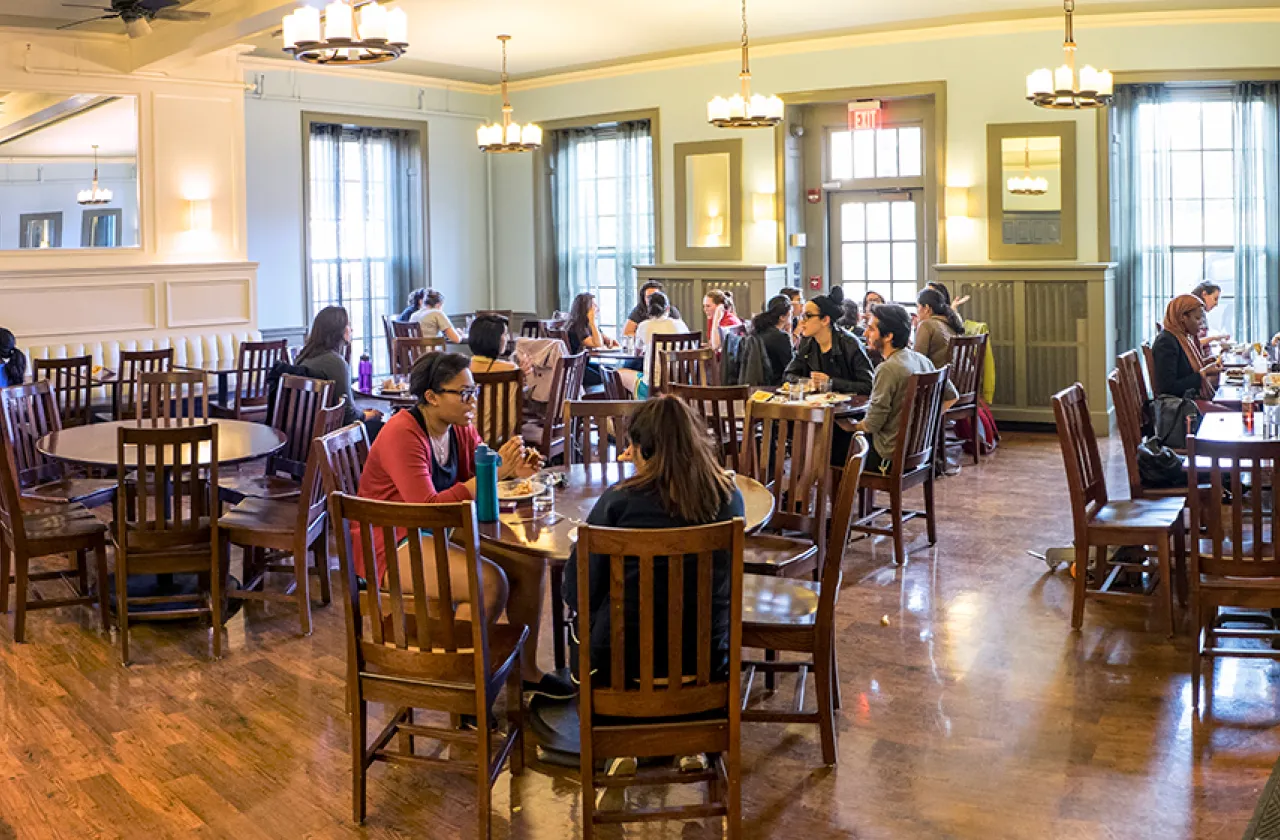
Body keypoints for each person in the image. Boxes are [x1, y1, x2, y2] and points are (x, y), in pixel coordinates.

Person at [357, 351, 558, 689]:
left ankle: (526, 671)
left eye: (473, 392)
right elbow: (426, 507)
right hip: (392, 543)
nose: (473, 401)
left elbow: (482, 470)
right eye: (464, 393)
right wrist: (490, 477)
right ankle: (464, 688)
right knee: (490, 583)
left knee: (529, 562)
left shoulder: (458, 428)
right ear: (432, 397)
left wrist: (511, 472)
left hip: (439, 531)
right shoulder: (401, 434)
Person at [564, 395, 744, 686]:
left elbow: (577, 592)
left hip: (621, 669)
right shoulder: (729, 498)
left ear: (643, 450)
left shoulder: (618, 502)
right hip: (708, 662)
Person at [852, 304, 958, 475]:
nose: (865, 334)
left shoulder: (887, 368)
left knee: (835, 448)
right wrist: (926, 424)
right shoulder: (922, 360)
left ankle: (835, 501)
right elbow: (952, 397)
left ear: (888, 336)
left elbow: (872, 424)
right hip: (920, 451)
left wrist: (852, 426)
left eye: (871, 329)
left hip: (887, 457)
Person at [295, 306, 381, 432]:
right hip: (332, 435)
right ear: (339, 331)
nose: (351, 329)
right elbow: (348, 416)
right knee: (385, 427)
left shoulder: (303, 357)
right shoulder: (336, 363)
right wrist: (370, 415)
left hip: (305, 430)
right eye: (349, 325)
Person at [784, 294, 874, 395]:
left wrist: (830, 382)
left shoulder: (849, 344)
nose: (801, 322)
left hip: (849, 406)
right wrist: (807, 381)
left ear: (825, 320)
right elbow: (788, 374)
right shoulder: (807, 342)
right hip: (815, 405)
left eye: (807, 316)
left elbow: (868, 385)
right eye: (801, 316)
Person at [1152, 295, 1224, 410]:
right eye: (1197, 318)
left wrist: (1205, 362)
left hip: (1189, 401)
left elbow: (1183, 368)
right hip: (1181, 407)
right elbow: (1168, 388)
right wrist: (1203, 373)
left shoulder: (1183, 338)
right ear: (1183, 317)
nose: (1201, 323)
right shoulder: (1166, 342)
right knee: (1236, 413)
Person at [618, 291, 691, 395]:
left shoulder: (644, 326)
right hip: (681, 382)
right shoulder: (680, 325)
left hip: (654, 384)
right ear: (668, 308)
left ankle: (632, 407)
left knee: (620, 373)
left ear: (649, 309)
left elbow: (637, 351)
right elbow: (691, 349)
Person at [565, 292, 618, 389]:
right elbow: (597, 344)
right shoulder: (577, 327)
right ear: (585, 309)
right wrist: (593, 322)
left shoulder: (586, 325)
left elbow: (605, 340)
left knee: (610, 371)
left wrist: (607, 339)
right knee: (606, 377)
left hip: (584, 364)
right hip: (575, 368)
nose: (597, 308)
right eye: (594, 305)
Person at [913, 287, 965, 369]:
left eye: (918, 306)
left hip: (940, 379)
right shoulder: (950, 322)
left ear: (926, 308)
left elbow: (917, 360)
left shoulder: (926, 325)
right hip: (963, 378)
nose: (917, 311)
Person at [749, 295, 795, 386]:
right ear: (782, 317)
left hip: (759, 381)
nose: (792, 317)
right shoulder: (781, 337)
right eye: (791, 314)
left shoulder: (757, 331)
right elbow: (791, 366)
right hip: (777, 383)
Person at [1190, 281, 1230, 347]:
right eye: (1215, 299)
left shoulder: (1202, 313)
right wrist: (1215, 337)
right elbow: (1193, 343)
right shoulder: (1191, 314)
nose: (1216, 304)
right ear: (1204, 294)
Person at [703, 289, 742, 353]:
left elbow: (715, 346)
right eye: (704, 306)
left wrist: (716, 318)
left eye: (708, 306)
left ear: (720, 306)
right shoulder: (711, 318)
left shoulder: (730, 321)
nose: (705, 309)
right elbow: (711, 343)